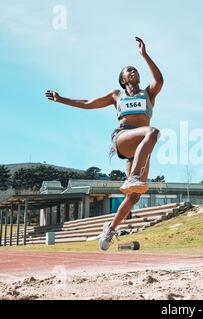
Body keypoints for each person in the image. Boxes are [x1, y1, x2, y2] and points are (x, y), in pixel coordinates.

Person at [45, 37, 163, 251]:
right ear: (123, 79)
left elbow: (160, 79)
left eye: (135, 69)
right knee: (153, 132)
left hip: (140, 150)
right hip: (123, 138)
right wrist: (61, 99)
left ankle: (109, 230)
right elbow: (88, 103)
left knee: (134, 196)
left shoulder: (148, 93)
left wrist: (144, 55)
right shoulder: (116, 95)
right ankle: (133, 177)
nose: (133, 71)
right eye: (129, 70)